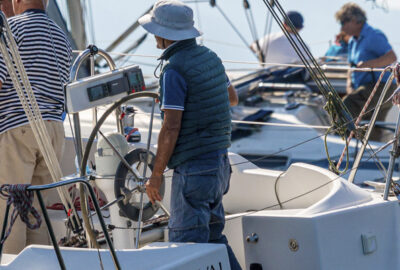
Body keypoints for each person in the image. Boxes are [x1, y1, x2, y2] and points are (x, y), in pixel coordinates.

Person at [139, 1, 241, 269]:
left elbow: (171, 127)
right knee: (214, 239)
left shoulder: (174, 70)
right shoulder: (210, 57)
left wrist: (156, 175)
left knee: (187, 246)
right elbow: (232, 98)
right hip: (220, 165)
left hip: (195, 170)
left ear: (163, 34)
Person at [0, 0, 72, 254]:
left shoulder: (12, 29)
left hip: (18, 129)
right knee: (38, 212)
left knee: (9, 212)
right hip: (53, 133)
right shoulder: (60, 36)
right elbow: (65, 89)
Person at [336, 3, 397, 141]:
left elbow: (391, 57)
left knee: (348, 104)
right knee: (371, 125)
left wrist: (367, 64)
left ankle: (340, 141)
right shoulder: (352, 41)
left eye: (344, 22)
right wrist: (349, 84)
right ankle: (367, 155)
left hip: (381, 87)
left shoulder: (373, 35)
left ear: (356, 20)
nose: (342, 27)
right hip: (367, 87)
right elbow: (351, 66)